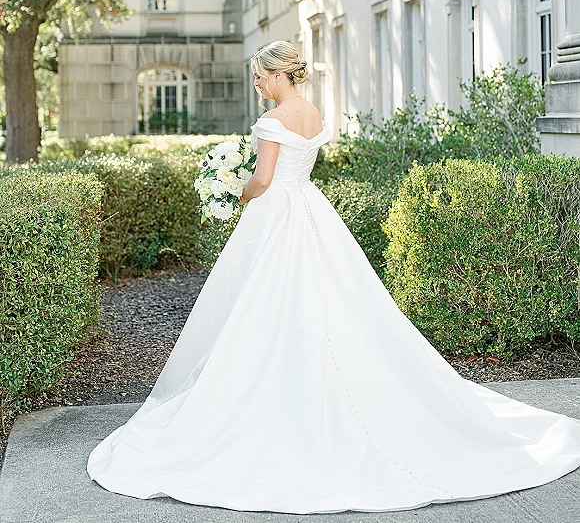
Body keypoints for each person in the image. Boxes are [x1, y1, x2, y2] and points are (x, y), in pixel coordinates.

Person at [87, 40, 580, 514]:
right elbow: (297, 168)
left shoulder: (271, 121)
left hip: (276, 213)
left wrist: (233, 191)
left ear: (280, 75)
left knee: (267, 303)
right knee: (330, 299)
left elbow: (261, 179)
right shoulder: (314, 115)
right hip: (308, 208)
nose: (258, 84)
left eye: (261, 76)